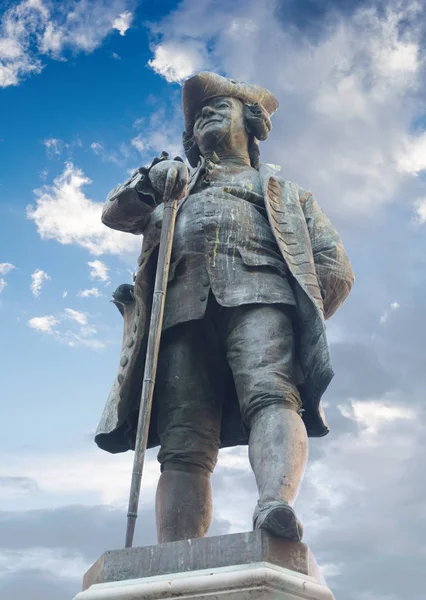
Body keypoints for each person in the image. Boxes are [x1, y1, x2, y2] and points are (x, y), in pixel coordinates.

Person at [95, 72, 354, 544]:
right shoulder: (173, 188)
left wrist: (302, 317)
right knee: (182, 441)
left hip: (261, 298)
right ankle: (175, 553)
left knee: (272, 395)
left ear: (251, 121)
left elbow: (334, 268)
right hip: (178, 313)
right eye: (196, 117)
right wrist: (150, 182)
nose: (204, 115)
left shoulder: (288, 195)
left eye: (221, 106)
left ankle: (274, 505)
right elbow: (116, 213)